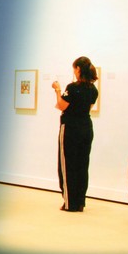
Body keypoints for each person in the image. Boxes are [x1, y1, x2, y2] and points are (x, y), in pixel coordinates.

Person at [52, 57, 98, 212]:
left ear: (78, 69)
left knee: (67, 165)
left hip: (70, 128)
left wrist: (57, 90)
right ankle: (80, 202)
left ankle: (69, 203)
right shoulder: (93, 90)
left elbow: (61, 105)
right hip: (86, 127)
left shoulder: (72, 88)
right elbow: (88, 108)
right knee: (82, 165)